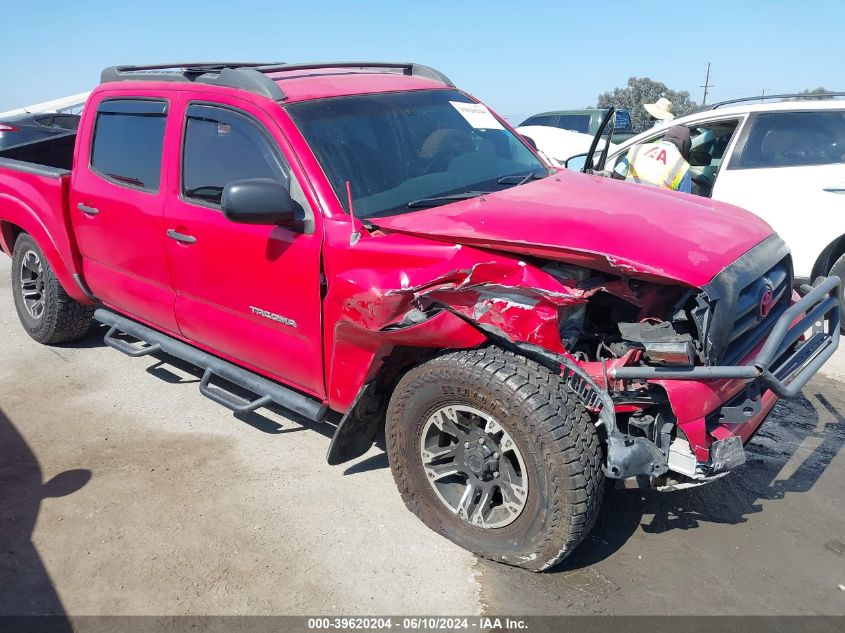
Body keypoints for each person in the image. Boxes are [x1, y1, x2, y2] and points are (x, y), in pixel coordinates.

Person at [614, 125, 692, 193]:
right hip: (657, 207)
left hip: (628, 200)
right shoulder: (683, 166)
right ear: (685, 145)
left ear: (666, 136)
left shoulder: (637, 149)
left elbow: (617, 176)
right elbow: (684, 200)